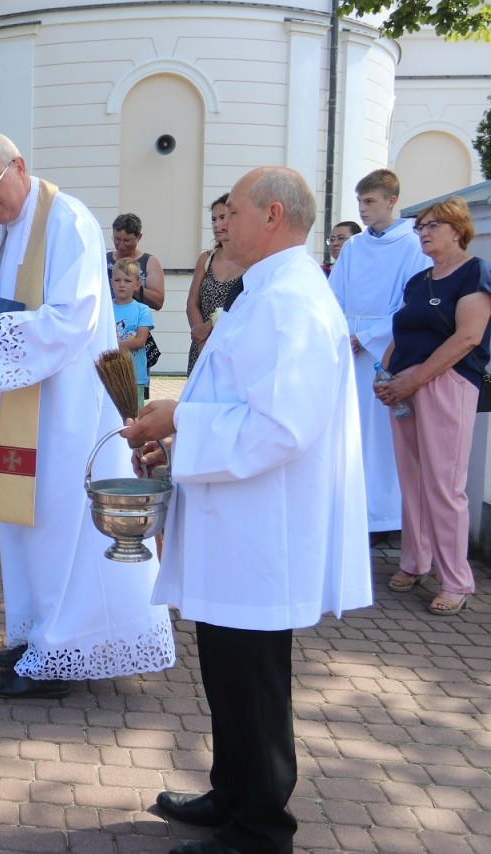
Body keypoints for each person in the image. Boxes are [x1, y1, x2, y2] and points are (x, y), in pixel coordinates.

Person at [124, 167, 372, 854]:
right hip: (235, 518)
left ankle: (261, 829)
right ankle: (233, 791)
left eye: (231, 211)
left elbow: (281, 427)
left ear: (272, 215)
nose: (221, 223)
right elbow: (235, 401)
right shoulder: (265, 291)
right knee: (228, 673)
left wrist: (180, 420)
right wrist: (175, 445)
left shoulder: (291, 301)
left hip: (261, 529)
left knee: (254, 684)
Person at [0, 131, 175, 699]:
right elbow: (13, 308)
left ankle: (58, 654)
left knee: (60, 525)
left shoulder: (66, 221)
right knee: (27, 525)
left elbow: (74, 317)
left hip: (68, 410)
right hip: (28, 405)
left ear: (19, 166)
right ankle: (38, 634)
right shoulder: (8, 232)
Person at [375, 196, 491, 617]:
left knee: (444, 486)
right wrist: (385, 372)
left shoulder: (474, 272)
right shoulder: (418, 280)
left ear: (458, 230)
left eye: (432, 226)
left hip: (447, 384)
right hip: (404, 387)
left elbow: (468, 338)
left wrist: (412, 379)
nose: (423, 233)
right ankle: (415, 561)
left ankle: (457, 580)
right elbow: (402, 331)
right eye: (420, 227)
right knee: (412, 479)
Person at [328, 170, 430, 544]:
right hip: (348, 348)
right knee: (349, 433)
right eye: (360, 201)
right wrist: (342, 332)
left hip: (384, 351)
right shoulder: (354, 247)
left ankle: (383, 516)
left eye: (370, 201)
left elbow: (411, 304)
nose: (363, 209)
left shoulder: (413, 246)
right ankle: (351, 510)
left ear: (391, 201)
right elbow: (333, 296)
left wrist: (369, 336)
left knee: (381, 438)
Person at [185, 194, 246, 375]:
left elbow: (244, 307)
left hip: (232, 349)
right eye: (213, 219)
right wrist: (201, 340)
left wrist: (209, 327)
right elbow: (192, 303)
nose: (217, 225)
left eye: (222, 217)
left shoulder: (251, 262)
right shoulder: (206, 259)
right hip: (201, 348)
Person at [111, 257, 154, 400]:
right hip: (109, 375)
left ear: (137, 284)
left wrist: (111, 346)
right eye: (117, 280)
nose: (121, 285)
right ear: (111, 282)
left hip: (134, 377)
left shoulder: (143, 310)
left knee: (134, 413)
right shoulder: (104, 309)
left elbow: (140, 341)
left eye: (127, 281)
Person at [106, 212, 166, 310]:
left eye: (126, 241)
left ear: (139, 237)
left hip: (137, 317)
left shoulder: (150, 262)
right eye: (117, 239)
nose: (121, 245)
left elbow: (158, 303)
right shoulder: (103, 260)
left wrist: (135, 288)